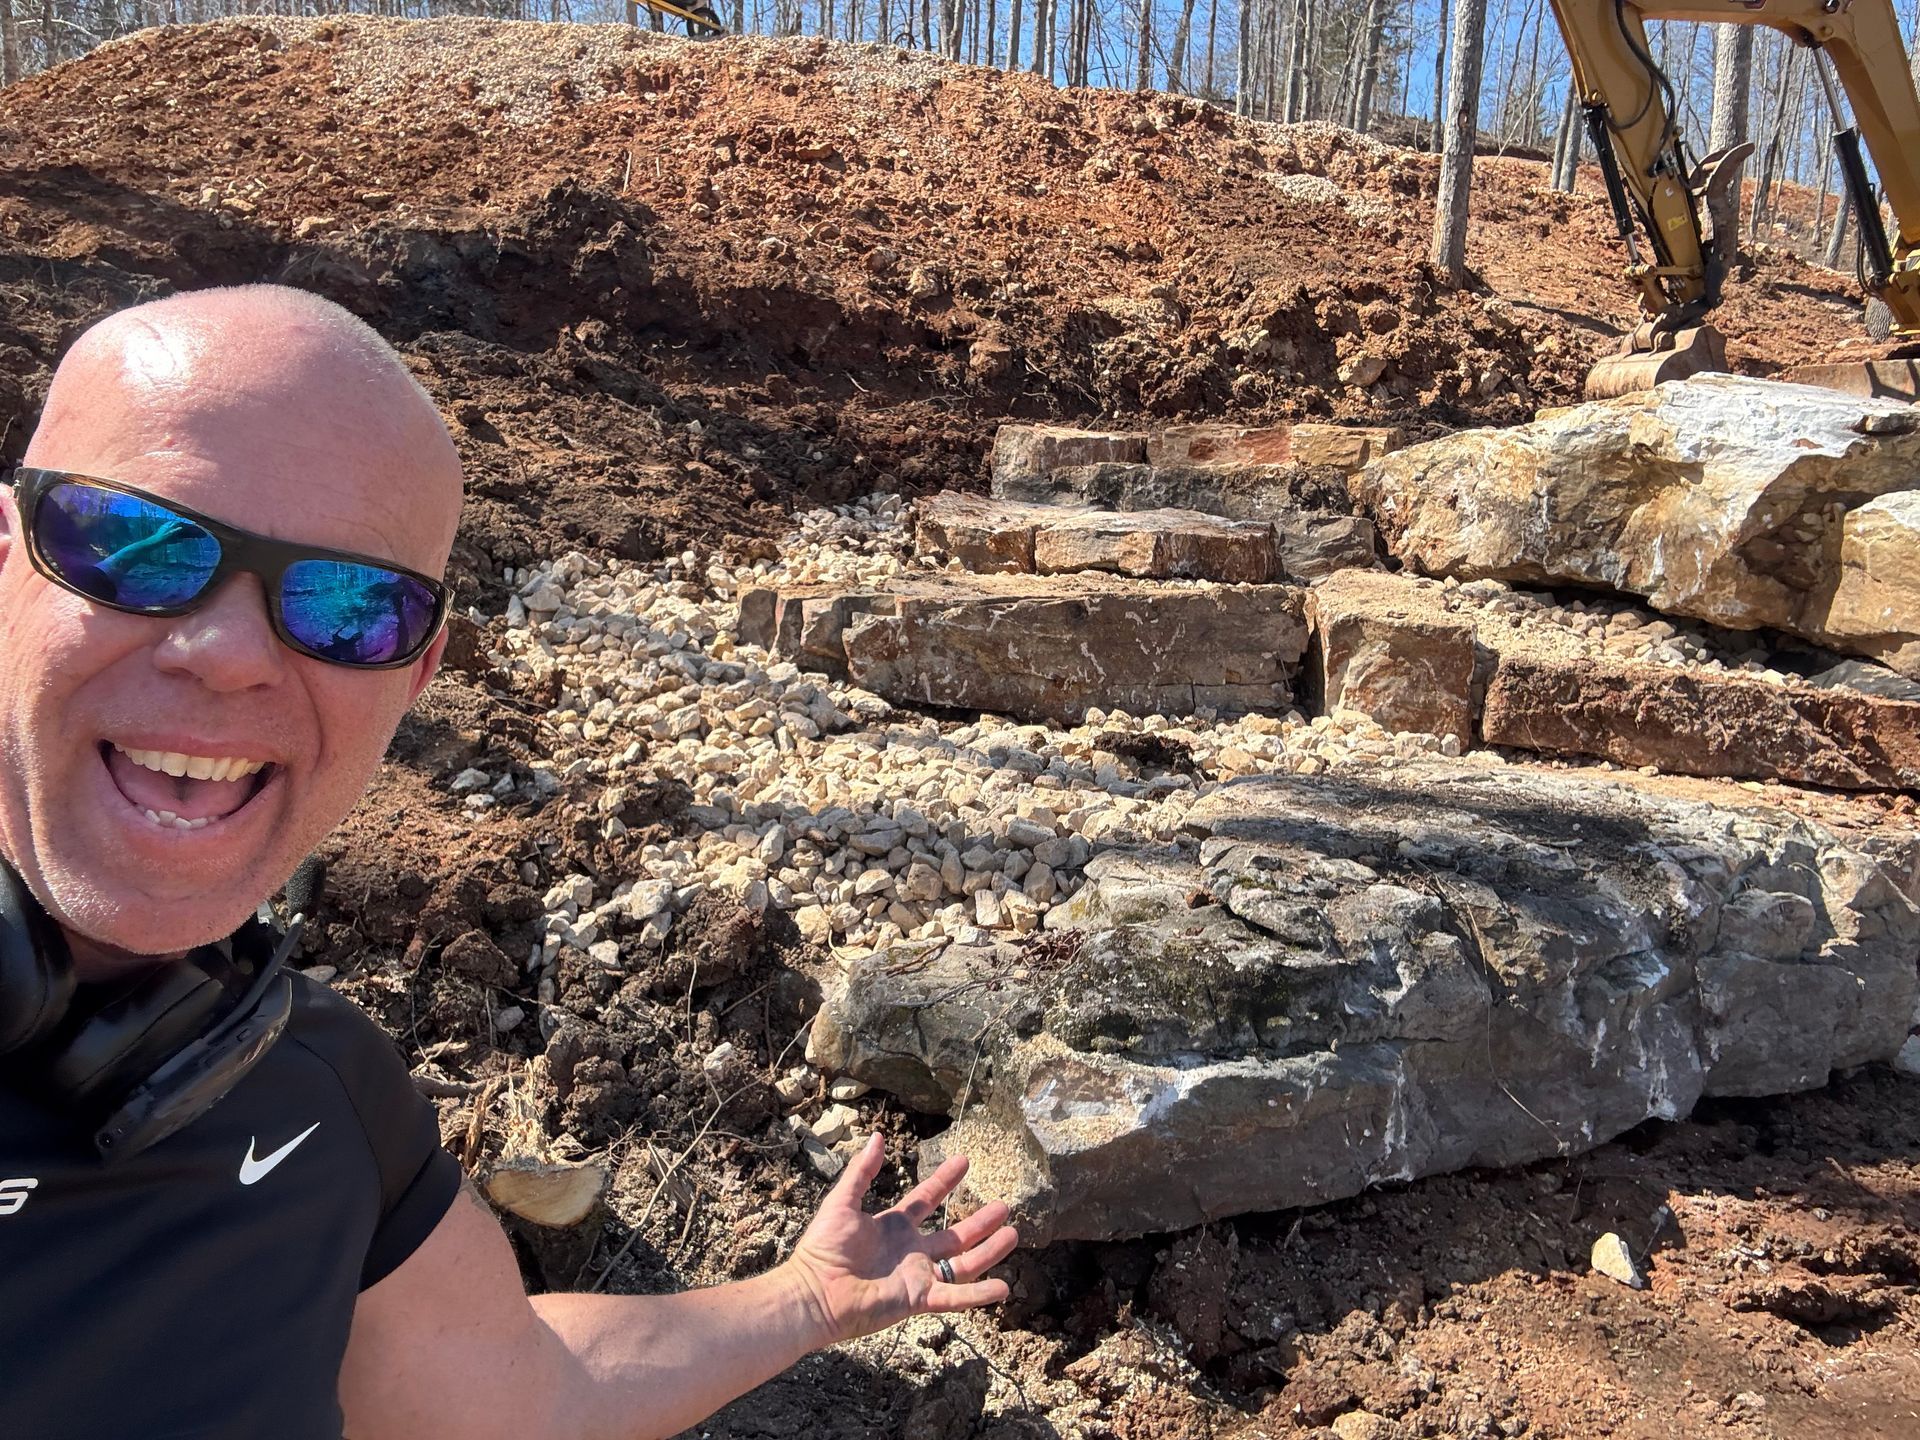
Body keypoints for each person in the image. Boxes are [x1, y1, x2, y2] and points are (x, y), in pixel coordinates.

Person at [0, 285, 1018, 1440]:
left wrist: (807, 1298)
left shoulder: (316, 1093)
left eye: (348, 607)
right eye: (135, 548)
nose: (229, 654)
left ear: (417, 675)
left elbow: (521, 1388)